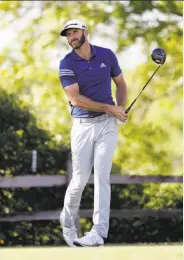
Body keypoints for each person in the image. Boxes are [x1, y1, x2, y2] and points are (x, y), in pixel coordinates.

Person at [59, 19, 128, 247]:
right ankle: (68, 224)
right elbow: (76, 99)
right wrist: (111, 108)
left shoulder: (107, 55)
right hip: (83, 126)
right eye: (68, 35)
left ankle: (98, 233)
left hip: (107, 125)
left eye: (75, 32)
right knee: (79, 180)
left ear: (85, 32)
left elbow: (121, 85)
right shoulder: (66, 63)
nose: (72, 37)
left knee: (102, 176)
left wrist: (121, 108)